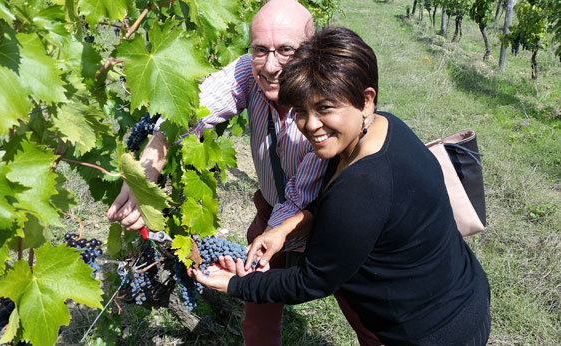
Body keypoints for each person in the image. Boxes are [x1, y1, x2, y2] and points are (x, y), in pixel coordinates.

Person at [190, 27, 492, 345]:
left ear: (365, 100)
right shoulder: (382, 128)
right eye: (301, 112)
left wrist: (235, 285)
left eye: (325, 108)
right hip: (460, 292)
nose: (311, 125)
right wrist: (286, 228)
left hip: (432, 332)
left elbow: (313, 281)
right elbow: (339, 207)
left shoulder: (364, 186)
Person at [107, 1, 382, 345]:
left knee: (371, 321)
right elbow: (189, 113)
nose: (270, 65)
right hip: (274, 215)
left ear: (312, 53)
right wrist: (145, 173)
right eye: (259, 50)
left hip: (335, 220)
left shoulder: (324, 109)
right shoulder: (247, 74)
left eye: (285, 50)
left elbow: (302, 195)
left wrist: (250, 259)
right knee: (258, 323)